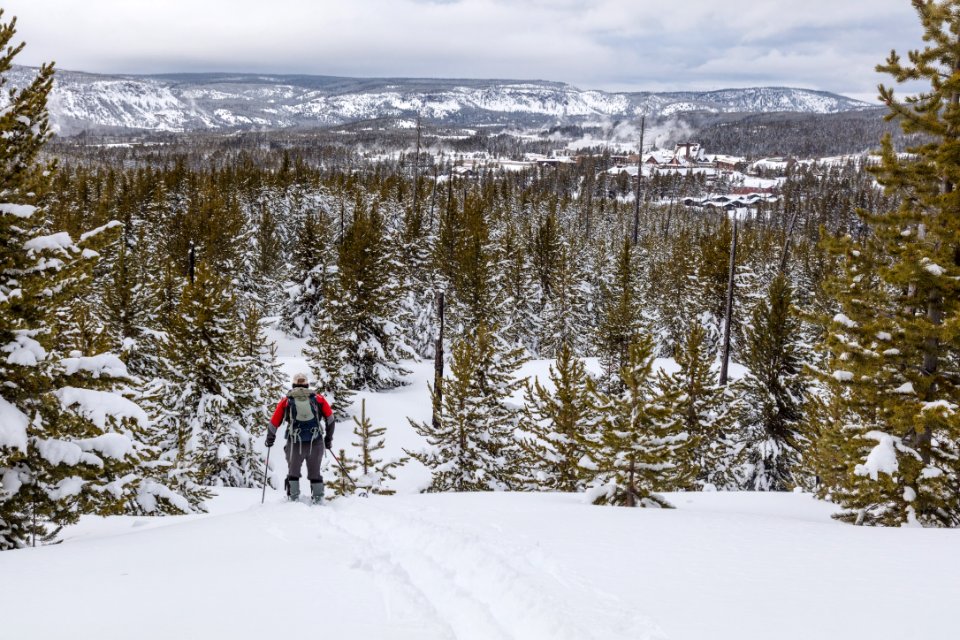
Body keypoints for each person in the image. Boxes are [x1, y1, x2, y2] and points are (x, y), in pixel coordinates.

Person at [266, 372, 335, 504]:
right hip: (316, 441)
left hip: (294, 442)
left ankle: (293, 500)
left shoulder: (286, 401)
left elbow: (274, 422)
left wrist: (270, 439)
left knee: (293, 473)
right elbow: (330, 419)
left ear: (293, 385)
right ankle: (319, 500)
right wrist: (328, 440)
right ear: (307, 385)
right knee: (315, 473)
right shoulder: (319, 399)